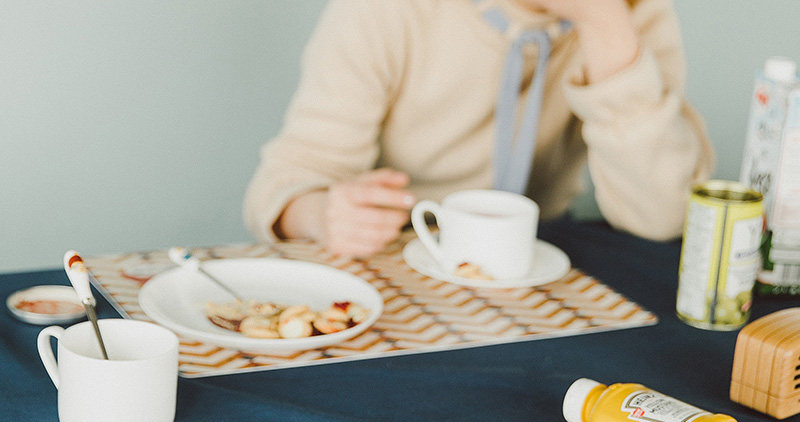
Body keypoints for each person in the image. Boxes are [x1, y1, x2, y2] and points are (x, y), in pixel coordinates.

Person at [243, 0, 714, 259]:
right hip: (401, 247)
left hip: (544, 253)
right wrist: (322, 214)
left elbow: (664, 218)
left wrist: (604, 23)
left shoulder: (633, 13)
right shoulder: (384, 11)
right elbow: (284, 182)